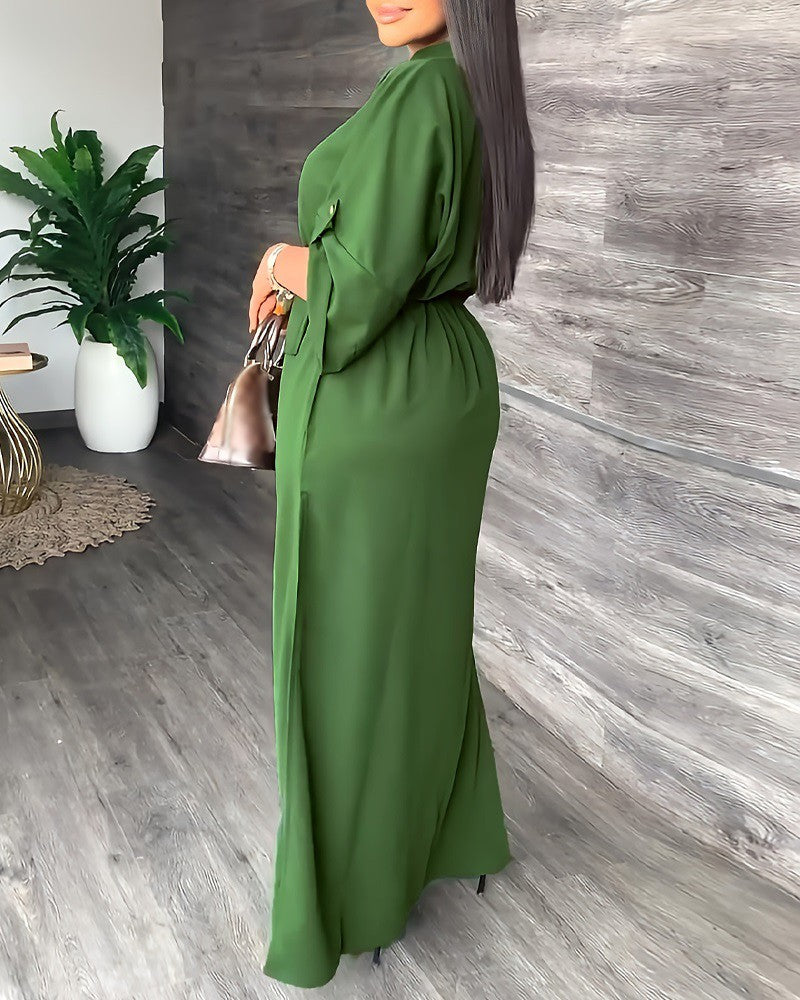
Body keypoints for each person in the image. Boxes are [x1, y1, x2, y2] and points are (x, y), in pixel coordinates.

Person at [248, 0, 534, 987]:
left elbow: (357, 288)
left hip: (380, 398)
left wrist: (279, 261)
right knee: (419, 628)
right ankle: (452, 833)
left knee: (344, 645)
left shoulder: (423, 92)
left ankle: (354, 895)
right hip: (443, 381)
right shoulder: (474, 89)